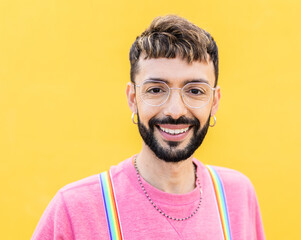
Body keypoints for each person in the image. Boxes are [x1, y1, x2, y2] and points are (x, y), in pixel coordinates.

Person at [32, 15, 266, 240]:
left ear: (214, 102)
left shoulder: (237, 195)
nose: (175, 111)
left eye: (195, 91)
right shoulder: (75, 209)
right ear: (133, 98)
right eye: (156, 89)